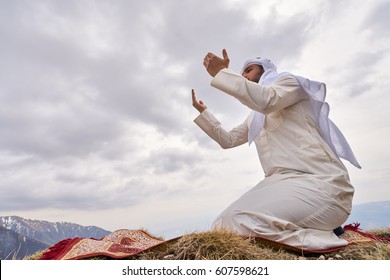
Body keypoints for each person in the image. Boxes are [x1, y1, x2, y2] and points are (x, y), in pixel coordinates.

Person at [191, 49, 361, 250]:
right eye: (242, 73)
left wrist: (222, 73)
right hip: (281, 184)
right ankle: (320, 230)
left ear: (265, 70)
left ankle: (324, 239)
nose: (244, 75)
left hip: (320, 184)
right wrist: (205, 114)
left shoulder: (291, 84)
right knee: (221, 225)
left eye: (248, 70)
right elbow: (228, 140)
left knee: (238, 221)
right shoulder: (256, 117)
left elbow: (266, 100)